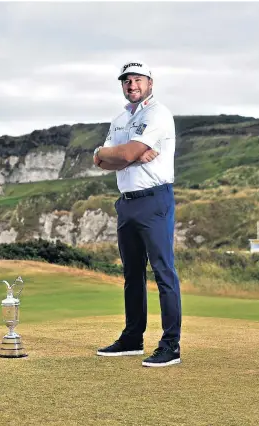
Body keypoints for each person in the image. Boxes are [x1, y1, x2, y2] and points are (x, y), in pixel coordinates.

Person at [92, 61, 182, 367]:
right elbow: (101, 160)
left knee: (163, 272)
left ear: (150, 83)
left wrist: (122, 154)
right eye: (127, 80)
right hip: (127, 202)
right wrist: (121, 154)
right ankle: (133, 338)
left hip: (154, 200)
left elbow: (122, 155)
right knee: (132, 274)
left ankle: (171, 345)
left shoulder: (158, 113)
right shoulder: (119, 120)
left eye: (137, 79)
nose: (132, 85)